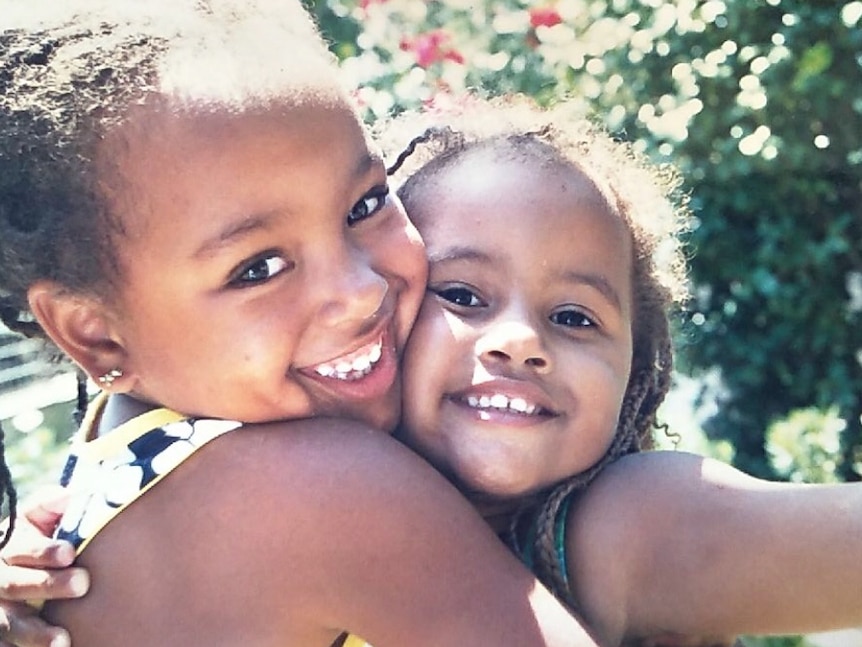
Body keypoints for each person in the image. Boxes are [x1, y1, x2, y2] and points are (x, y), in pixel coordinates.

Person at [0, 2, 601, 647]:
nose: (361, 290)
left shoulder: (99, 489)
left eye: (365, 204)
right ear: (94, 334)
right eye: (258, 268)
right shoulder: (334, 487)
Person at [378, 97, 862, 646]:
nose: (520, 341)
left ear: (633, 376)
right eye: (462, 295)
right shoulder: (307, 495)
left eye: (573, 317)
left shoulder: (624, 526)